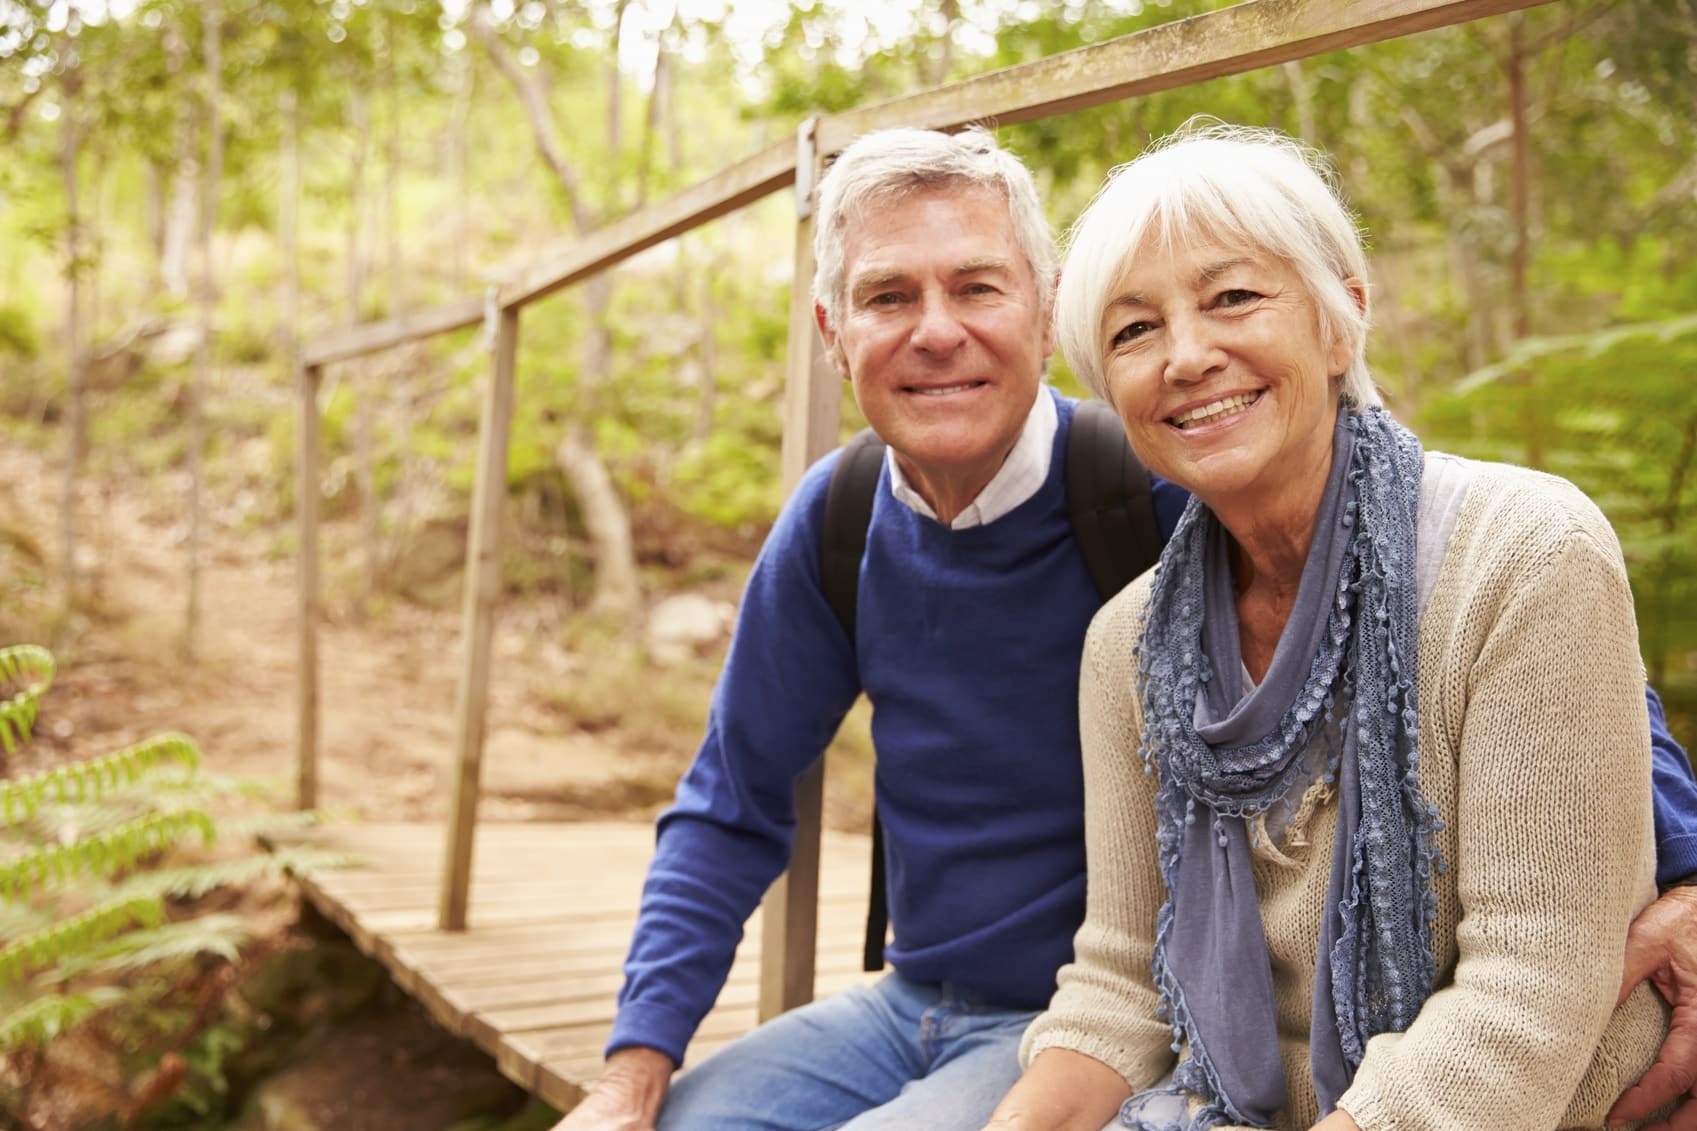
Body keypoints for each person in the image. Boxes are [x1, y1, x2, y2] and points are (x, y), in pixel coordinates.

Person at [554, 127, 1697, 1131]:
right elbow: (730, 800)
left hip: (1136, 1032)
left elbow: (1487, 639)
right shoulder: (892, 540)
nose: (935, 332)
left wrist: (1685, 871)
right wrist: (629, 1071)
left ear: (1043, 314)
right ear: (831, 331)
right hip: (955, 1002)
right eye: (889, 297)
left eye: (977, 288)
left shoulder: (1160, 481)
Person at [985, 122, 1677, 1131]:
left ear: (1339, 319)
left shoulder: (1527, 552)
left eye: (1231, 298)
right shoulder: (1124, 646)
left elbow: (1530, 989)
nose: (1184, 356)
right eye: (1133, 331)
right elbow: (1122, 984)